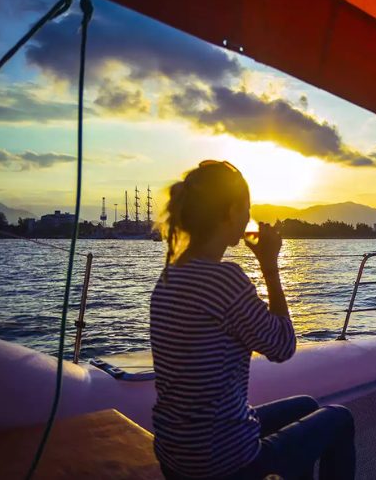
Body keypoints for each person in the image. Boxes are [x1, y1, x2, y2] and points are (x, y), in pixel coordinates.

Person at [151, 160, 356, 479]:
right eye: (246, 208)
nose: (249, 217)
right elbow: (283, 347)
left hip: (175, 457)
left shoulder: (168, 277)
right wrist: (270, 267)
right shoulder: (224, 279)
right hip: (223, 464)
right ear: (232, 211)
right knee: (340, 419)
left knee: (306, 405)